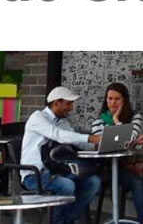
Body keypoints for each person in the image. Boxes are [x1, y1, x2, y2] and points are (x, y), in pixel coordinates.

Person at [22, 86, 103, 224]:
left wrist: (100, 145)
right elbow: (59, 135)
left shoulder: (62, 122)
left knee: (93, 182)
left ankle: (64, 220)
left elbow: (77, 142)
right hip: (35, 175)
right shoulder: (38, 118)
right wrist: (91, 138)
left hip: (57, 171)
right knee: (67, 185)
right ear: (56, 103)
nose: (71, 108)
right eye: (68, 104)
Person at [91, 82, 143, 224]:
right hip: (113, 167)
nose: (113, 102)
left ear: (124, 100)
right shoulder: (98, 122)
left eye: (117, 99)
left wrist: (118, 124)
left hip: (136, 162)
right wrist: (116, 121)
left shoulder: (135, 117)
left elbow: (128, 139)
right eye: (110, 98)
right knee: (136, 181)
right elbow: (109, 144)